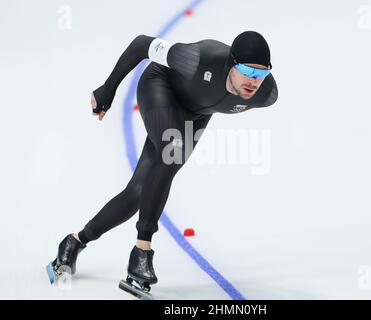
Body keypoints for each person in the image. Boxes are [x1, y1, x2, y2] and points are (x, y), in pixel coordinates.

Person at [47, 31, 278, 290]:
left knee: (139, 192)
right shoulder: (195, 59)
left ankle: (74, 242)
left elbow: (226, 93)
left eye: (261, 73)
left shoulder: (266, 94)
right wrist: (107, 89)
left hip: (195, 115)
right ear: (230, 64)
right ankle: (141, 252)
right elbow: (140, 44)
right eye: (248, 70)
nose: (253, 81)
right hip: (160, 85)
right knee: (173, 148)